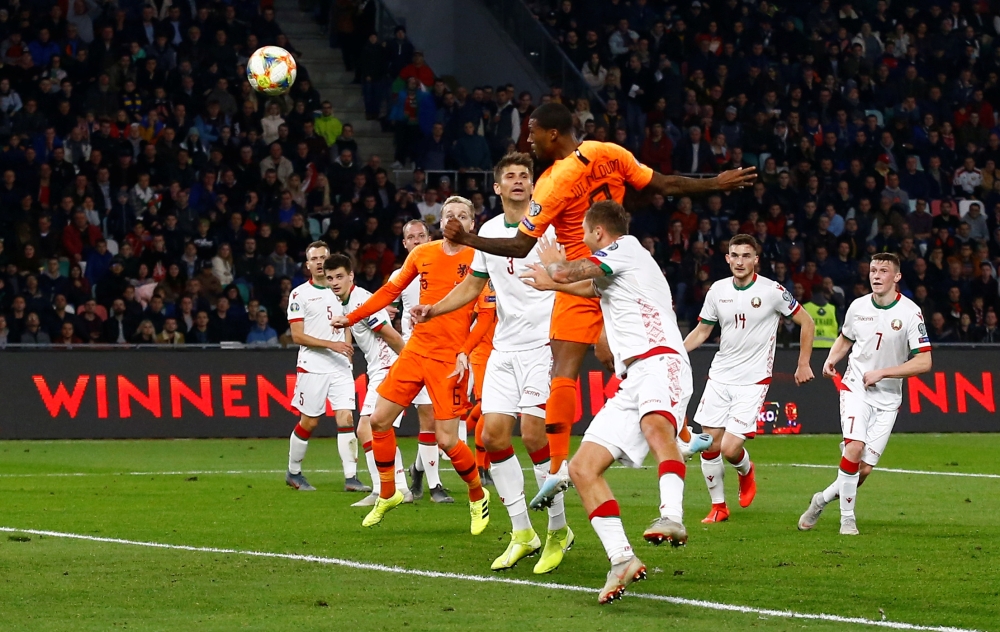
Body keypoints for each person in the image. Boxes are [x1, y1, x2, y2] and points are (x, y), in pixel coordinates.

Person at [443, 102, 757, 506]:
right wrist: (717, 182)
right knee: (618, 360)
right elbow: (662, 186)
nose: (529, 138)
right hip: (621, 267)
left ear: (552, 133)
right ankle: (681, 435)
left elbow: (522, 245)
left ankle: (557, 469)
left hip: (578, 271)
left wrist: (466, 240)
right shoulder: (608, 152)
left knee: (565, 366)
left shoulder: (553, 183)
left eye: (534, 130)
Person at [520, 201, 693, 604]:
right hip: (631, 374)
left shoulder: (626, 248)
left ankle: (673, 516)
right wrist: (554, 284)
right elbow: (586, 284)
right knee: (582, 468)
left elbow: (572, 270)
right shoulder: (616, 270)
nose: (581, 238)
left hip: (660, 357)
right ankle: (621, 559)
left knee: (656, 426)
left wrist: (554, 266)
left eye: (583, 232)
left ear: (599, 233)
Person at [410, 153, 571, 574]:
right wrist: (434, 308)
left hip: (543, 347)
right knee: (493, 436)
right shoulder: (487, 232)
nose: (518, 181)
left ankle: (558, 530)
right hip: (504, 350)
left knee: (535, 436)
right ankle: (522, 532)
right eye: (510, 177)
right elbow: (472, 285)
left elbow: (573, 278)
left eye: (524, 175)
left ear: (533, 185)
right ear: (497, 188)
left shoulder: (549, 228)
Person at [333, 198, 489, 533]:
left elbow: (487, 315)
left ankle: (477, 495)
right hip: (416, 349)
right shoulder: (422, 254)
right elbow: (390, 290)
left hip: (449, 358)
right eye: (450, 215)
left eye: (463, 216)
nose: (456, 220)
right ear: (441, 222)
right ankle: (388, 492)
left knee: (447, 439)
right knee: (378, 420)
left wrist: (465, 351)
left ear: (472, 224)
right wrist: (353, 315)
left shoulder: (480, 259)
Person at [683, 234, 816, 524]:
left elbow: (807, 321)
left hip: (753, 379)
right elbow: (704, 330)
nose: (740, 261)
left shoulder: (773, 291)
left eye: (746, 256)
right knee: (709, 444)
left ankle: (745, 470)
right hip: (720, 376)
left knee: (730, 448)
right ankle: (719, 507)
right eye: (735, 255)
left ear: (756, 259)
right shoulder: (717, 290)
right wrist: (677, 352)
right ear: (727, 258)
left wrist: (803, 362)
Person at [798, 253, 933, 535]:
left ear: (896, 277)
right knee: (854, 448)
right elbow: (846, 337)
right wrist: (831, 358)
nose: (876, 275)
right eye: (873, 270)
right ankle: (848, 519)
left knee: (863, 471)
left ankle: (820, 500)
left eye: (883, 271)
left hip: (888, 399)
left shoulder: (910, 312)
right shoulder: (858, 306)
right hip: (855, 387)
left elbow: (924, 361)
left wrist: (884, 372)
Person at [323, 254, 413, 507]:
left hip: (388, 369)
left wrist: (412, 365)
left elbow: (392, 336)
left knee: (366, 428)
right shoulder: (350, 301)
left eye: (340, 276)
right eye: (330, 278)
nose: (334, 282)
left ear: (351, 275)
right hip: (380, 370)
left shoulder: (362, 301)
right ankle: (400, 489)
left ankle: (381, 490)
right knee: (380, 430)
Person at [284, 241, 365, 494]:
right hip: (312, 366)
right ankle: (293, 471)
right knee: (309, 421)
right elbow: (297, 336)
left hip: (340, 365)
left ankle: (351, 478)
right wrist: (333, 345)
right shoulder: (299, 295)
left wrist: (347, 349)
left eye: (323, 257)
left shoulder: (342, 290)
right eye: (314, 259)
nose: (319, 262)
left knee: (347, 418)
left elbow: (349, 322)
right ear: (307, 265)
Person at [391, 220, 451, 505]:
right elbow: (385, 301)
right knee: (429, 418)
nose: (416, 241)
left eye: (420, 236)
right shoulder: (400, 275)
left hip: (445, 350)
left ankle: (417, 470)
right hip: (415, 352)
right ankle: (436, 485)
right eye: (410, 237)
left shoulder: (444, 267)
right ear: (404, 244)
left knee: (444, 422)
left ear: (430, 238)